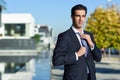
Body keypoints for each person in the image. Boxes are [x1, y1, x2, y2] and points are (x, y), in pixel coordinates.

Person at [52, 4, 102, 80]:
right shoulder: (65, 36)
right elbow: (56, 60)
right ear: (72, 17)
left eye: (83, 16)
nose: (80, 19)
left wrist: (91, 44)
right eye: (78, 16)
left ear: (85, 17)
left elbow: (98, 58)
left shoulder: (89, 35)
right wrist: (77, 54)